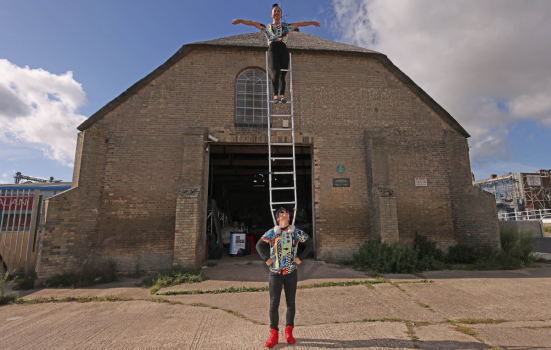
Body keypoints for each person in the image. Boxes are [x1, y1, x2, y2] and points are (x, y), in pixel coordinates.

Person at [232, 3, 320, 104]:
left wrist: (312, 22)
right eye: (275, 11)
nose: (277, 12)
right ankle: (275, 95)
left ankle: (282, 96)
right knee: (275, 72)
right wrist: (240, 21)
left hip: (283, 48)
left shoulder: (286, 27)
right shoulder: (266, 27)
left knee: (283, 74)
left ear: (281, 14)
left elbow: (299, 23)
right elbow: (252, 22)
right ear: (271, 14)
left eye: (278, 11)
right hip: (273, 48)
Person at [255, 207, 313, 348]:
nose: (284, 213)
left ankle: (289, 332)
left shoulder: (295, 232)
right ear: (277, 218)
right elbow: (259, 245)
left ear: (289, 216)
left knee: (290, 303)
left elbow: (309, 243)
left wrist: (300, 258)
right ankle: (274, 334)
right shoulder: (272, 232)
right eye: (281, 213)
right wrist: (267, 259)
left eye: (286, 212)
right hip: (275, 274)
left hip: (291, 273)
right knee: (274, 303)